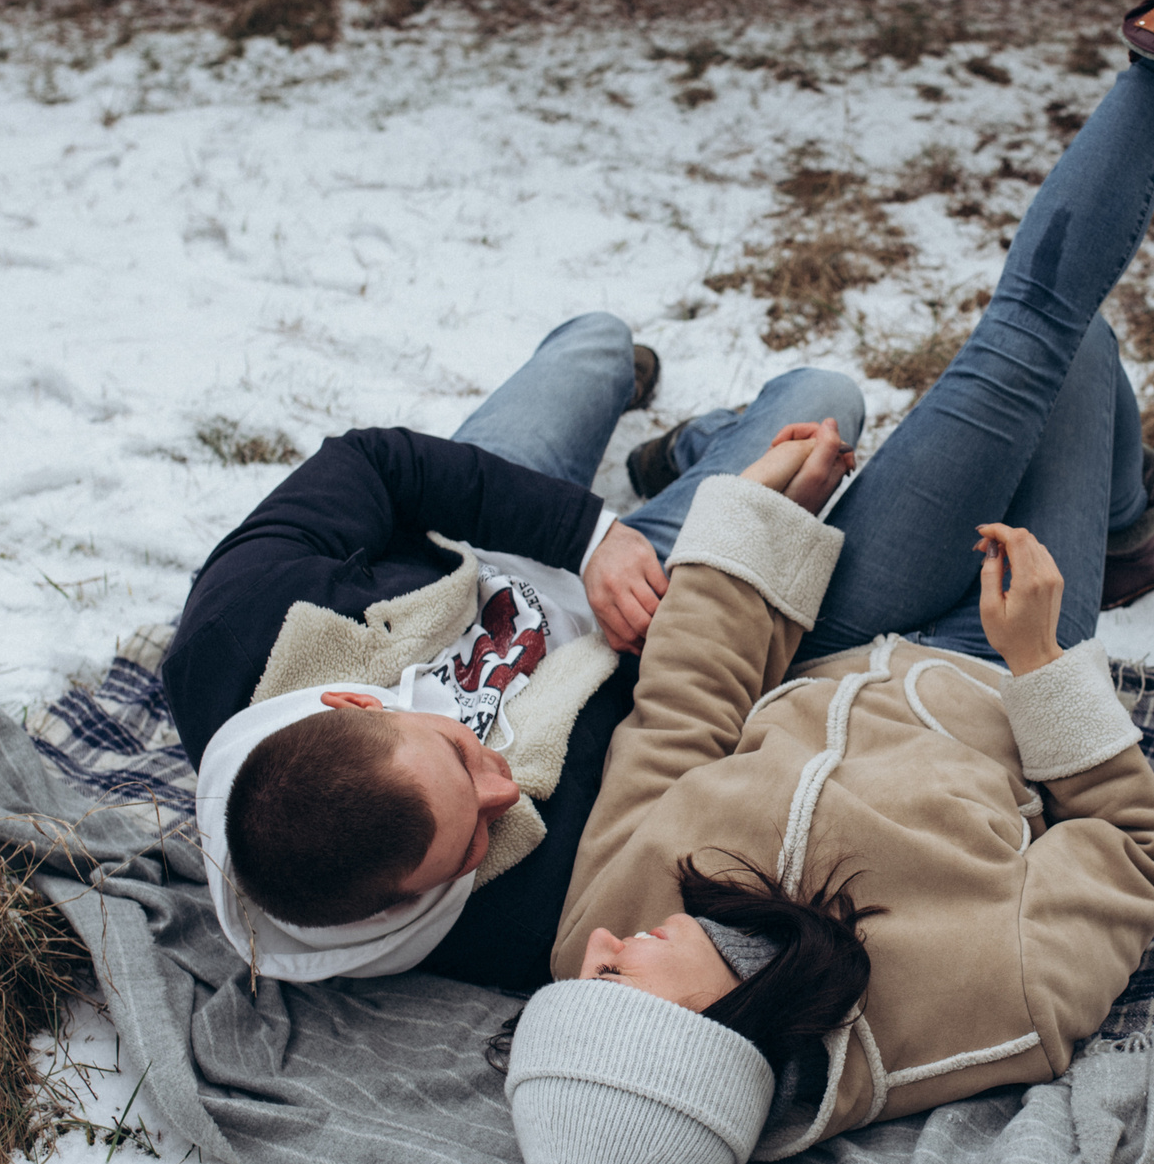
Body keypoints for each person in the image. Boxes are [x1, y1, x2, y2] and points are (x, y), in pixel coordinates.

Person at [500, 0, 1154, 1164]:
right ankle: (1129, 525)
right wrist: (1047, 666)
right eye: (617, 984)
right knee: (1081, 353)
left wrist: (752, 531)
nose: (595, 950)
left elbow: (688, 711)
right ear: (714, 1044)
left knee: (1029, 344)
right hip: (998, 661)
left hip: (835, 622)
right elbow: (1132, 854)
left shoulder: (618, 906)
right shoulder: (980, 1010)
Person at [170, 321, 866, 989]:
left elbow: (374, 464)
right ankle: (698, 458)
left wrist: (588, 535)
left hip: (490, 536)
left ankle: (684, 445)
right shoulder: (509, 920)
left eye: (457, 754)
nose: (501, 792)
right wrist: (757, 531)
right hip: (645, 609)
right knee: (826, 400)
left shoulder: (237, 626)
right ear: (397, 906)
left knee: (596, 341)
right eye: (472, 839)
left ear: (353, 701)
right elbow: (673, 744)